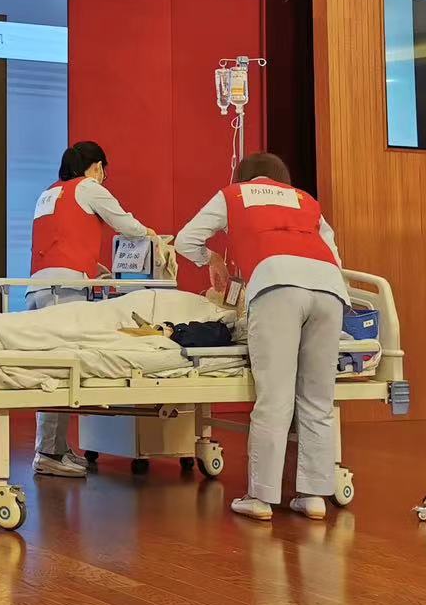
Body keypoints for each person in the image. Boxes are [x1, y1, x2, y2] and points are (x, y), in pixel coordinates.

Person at [173, 152, 349, 522]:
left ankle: (261, 497)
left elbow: (186, 240)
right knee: (318, 399)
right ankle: (314, 496)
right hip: (330, 289)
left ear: (244, 176)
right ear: (282, 178)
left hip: (276, 284)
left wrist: (212, 260)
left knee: (275, 398)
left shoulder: (233, 195)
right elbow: (334, 256)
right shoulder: (306, 200)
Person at [26, 141, 153, 478]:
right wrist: (150, 235)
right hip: (63, 289)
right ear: (96, 166)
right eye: (103, 170)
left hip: (37, 285)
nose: (104, 177)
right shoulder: (88, 187)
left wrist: (94, 268)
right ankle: (48, 452)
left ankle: (55, 446)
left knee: (51, 367)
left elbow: (60, 239)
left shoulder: (49, 193)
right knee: (62, 368)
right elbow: (125, 223)